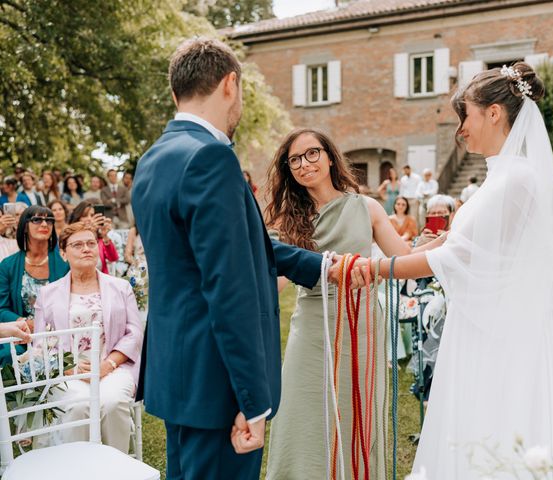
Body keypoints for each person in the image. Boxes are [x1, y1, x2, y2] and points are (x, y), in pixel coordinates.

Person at [355, 63, 553, 478]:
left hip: (500, 337)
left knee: (496, 430)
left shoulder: (515, 180)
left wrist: (373, 269)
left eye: (467, 116)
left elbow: (457, 256)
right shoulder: (502, 177)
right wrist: (417, 249)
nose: (462, 129)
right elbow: (453, 247)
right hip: (486, 327)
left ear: (494, 113)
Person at [131, 38, 345, 480]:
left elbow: (221, 251)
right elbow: (230, 287)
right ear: (231, 84)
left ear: (176, 93)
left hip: (180, 375)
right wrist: (252, 399)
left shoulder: (153, 159)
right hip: (220, 387)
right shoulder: (212, 157)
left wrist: (316, 265)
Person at [264, 128, 411, 479]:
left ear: (330, 156)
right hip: (312, 327)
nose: (304, 164)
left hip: (360, 326)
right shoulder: (287, 220)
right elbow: (279, 280)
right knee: (300, 414)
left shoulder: (367, 207)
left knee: (355, 411)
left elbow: (402, 260)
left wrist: (442, 246)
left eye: (312, 153)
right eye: (294, 160)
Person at [34, 222, 143, 453]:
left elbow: (134, 331)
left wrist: (108, 364)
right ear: (63, 254)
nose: (86, 249)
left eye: (91, 243)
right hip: (69, 371)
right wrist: (67, 368)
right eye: (78, 245)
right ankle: (80, 467)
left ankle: (118, 466)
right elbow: (40, 341)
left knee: (112, 402)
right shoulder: (48, 293)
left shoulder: (120, 287)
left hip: (113, 366)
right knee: (79, 405)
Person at [0, 206, 69, 363]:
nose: (44, 224)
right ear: (25, 226)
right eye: (37, 220)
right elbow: (2, 308)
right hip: (21, 336)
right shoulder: (7, 266)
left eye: (49, 220)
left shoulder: (65, 264)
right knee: (9, 355)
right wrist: (22, 322)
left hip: (58, 337)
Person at [69, 200, 118, 275]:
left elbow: (113, 258)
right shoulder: (70, 237)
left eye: (92, 215)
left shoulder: (99, 239)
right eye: (85, 216)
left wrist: (105, 236)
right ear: (78, 218)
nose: (89, 219)